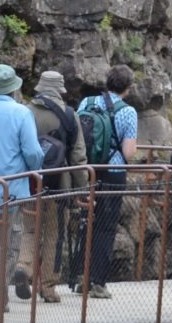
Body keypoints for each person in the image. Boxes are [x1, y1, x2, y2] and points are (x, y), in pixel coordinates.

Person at [0, 64, 44, 314]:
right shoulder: (21, 113)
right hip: (11, 189)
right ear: (14, 88)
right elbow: (33, 152)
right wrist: (33, 168)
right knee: (9, 244)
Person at [69, 65, 139, 300]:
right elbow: (128, 153)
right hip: (113, 171)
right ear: (128, 88)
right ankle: (97, 282)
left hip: (87, 170)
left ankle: (79, 276)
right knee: (106, 227)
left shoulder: (87, 103)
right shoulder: (128, 112)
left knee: (86, 221)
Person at [27, 70, 83, 305]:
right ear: (60, 90)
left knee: (28, 229)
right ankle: (48, 287)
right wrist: (82, 189)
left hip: (29, 182)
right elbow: (79, 155)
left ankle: (24, 267)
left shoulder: (26, 112)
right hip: (59, 183)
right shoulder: (70, 115)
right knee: (54, 235)